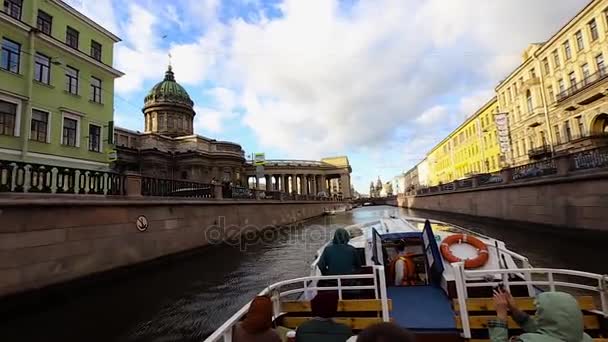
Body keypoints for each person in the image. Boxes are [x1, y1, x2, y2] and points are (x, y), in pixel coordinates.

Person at [489, 289, 593, 342]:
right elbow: (550, 332)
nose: (536, 314)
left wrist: (501, 315)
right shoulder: (584, 338)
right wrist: (515, 310)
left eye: (539, 311)